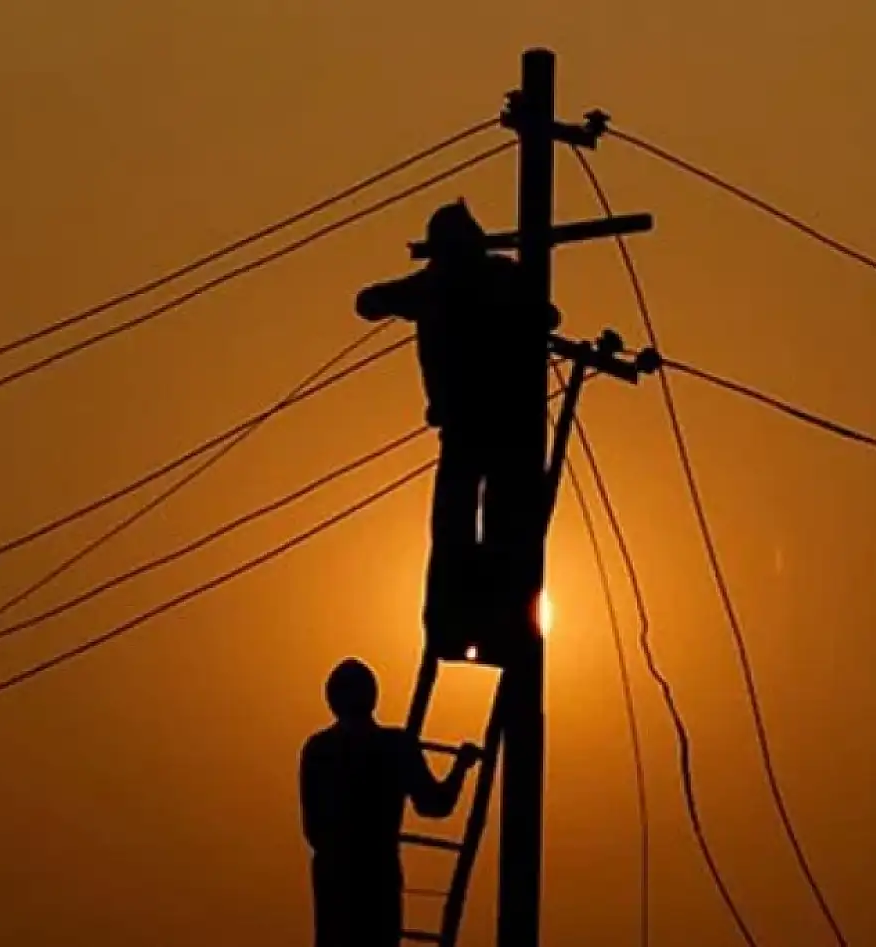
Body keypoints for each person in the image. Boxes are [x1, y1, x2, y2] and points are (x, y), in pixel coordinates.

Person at [355, 200, 559, 660]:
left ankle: (478, 625)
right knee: (479, 528)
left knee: (471, 528)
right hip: (492, 427)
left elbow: (369, 302)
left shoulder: (447, 283)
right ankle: (479, 625)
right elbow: (368, 302)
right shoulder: (466, 280)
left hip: (489, 427)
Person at [300, 658, 482, 947]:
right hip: (377, 880)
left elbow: (312, 830)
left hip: (335, 882)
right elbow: (435, 804)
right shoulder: (395, 745)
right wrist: (461, 766)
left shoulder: (317, 750)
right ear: (373, 696)